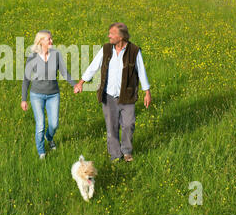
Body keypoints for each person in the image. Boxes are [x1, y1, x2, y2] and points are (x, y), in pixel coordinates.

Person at [74, 23, 151, 163]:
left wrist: (147, 92)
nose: (109, 36)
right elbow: (93, 66)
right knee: (111, 126)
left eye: (112, 33)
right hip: (108, 95)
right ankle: (115, 155)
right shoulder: (106, 49)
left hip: (127, 95)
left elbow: (142, 71)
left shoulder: (134, 51)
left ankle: (127, 151)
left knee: (128, 125)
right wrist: (81, 83)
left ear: (121, 36)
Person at [21, 30, 77, 160]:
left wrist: (74, 84)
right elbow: (26, 79)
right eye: (49, 39)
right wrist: (24, 99)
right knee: (40, 124)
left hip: (53, 94)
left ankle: (49, 137)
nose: (51, 41)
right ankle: (41, 151)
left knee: (54, 124)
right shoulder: (32, 57)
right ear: (41, 41)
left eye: (51, 39)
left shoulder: (56, 54)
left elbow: (64, 72)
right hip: (37, 95)